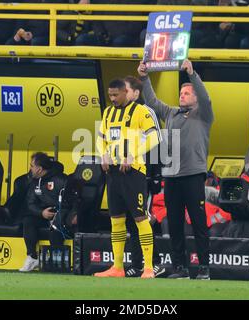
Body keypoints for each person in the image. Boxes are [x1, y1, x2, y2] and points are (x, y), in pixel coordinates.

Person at [138, 59, 214, 280]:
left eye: (188, 93)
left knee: (199, 224)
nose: (183, 95)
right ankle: (180, 268)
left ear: (196, 97)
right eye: (181, 92)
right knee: (175, 224)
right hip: (171, 177)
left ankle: (204, 268)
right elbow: (151, 101)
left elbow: (206, 97)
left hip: (193, 176)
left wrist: (192, 75)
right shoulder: (171, 113)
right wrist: (144, 77)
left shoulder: (204, 114)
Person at [94, 78, 160, 279]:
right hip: (113, 173)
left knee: (140, 218)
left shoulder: (142, 111)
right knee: (116, 220)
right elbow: (101, 138)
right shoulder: (107, 113)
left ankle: (148, 267)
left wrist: (132, 155)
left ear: (126, 93)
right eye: (110, 95)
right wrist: (102, 154)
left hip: (134, 172)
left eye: (115, 95)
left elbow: (155, 137)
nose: (112, 99)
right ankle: (117, 267)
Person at [122, 76, 165, 278]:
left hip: (144, 175)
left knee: (142, 219)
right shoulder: (117, 113)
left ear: (136, 93)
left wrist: (155, 174)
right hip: (124, 175)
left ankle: (155, 263)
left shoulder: (146, 112)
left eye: (126, 90)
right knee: (131, 222)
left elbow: (156, 141)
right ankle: (137, 263)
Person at [19, 152, 74, 272]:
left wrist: (60, 214)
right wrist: (41, 213)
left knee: (55, 228)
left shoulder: (62, 180)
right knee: (28, 221)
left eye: (32, 166)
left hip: (61, 215)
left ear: (39, 169)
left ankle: (54, 262)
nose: (30, 169)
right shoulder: (35, 182)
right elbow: (30, 203)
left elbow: (71, 202)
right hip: (43, 215)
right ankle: (32, 257)